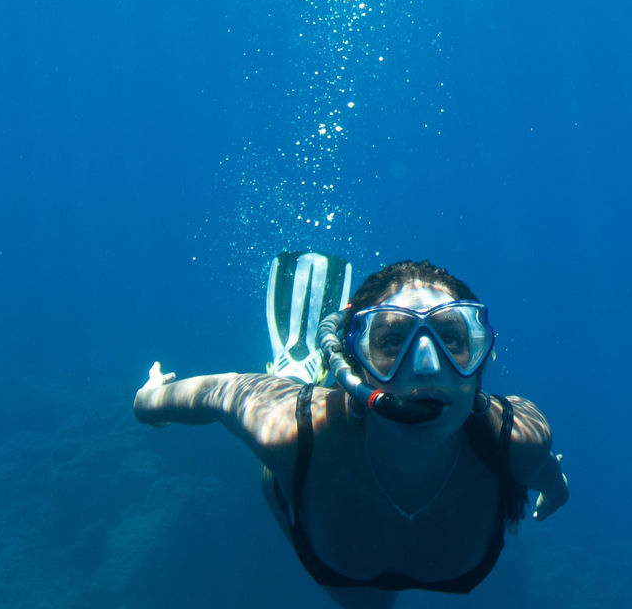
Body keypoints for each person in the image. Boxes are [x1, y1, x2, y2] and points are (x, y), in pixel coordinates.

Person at [134, 258, 569, 607]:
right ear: (355, 364)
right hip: (305, 475)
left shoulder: (516, 440)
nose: (427, 366)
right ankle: (301, 377)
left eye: (452, 339)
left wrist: (555, 489)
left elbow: (544, 469)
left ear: (480, 357)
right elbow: (215, 394)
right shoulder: (290, 431)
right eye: (392, 342)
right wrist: (149, 402)